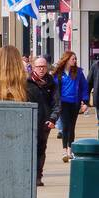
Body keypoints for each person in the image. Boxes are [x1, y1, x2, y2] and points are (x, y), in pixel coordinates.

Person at [27, 56, 60, 186]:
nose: (41, 69)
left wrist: (53, 119)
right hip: (30, 121)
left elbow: (57, 103)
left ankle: (38, 176)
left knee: (41, 149)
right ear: (33, 68)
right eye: (39, 67)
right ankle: (29, 174)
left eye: (44, 67)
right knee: (30, 149)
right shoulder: (27, 82)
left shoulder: (51, 83)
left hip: (45, 123)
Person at [54, 51, 90, 163]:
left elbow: (84, 87)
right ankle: (64, 151)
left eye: (75, 59)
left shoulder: (78, 72)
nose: (75, 61)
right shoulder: (58, 73)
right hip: (63, 103)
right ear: (67, 59)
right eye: (73, 59)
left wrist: (85, 101)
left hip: (75, 103)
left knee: (72, 127)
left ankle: (70, 150)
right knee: (65, 126)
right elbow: (54, 88)